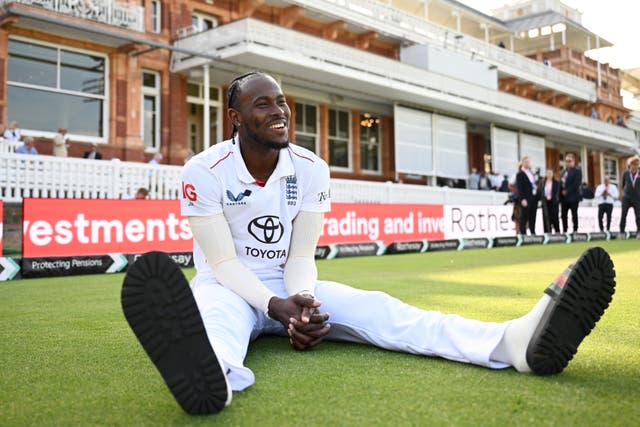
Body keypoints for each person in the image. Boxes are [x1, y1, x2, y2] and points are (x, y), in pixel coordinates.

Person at [121, 72, 616, 415]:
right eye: (263, 104)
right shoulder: (202, 170)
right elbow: (223, 262)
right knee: (214, 326)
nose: (280, 111)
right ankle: (216, 384)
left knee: (386, 311)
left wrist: (305, 305)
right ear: (234, 117)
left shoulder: (311, 166)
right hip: (228, 286)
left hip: (288, 286)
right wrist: (275, 307)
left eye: (283, 101)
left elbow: (299, 256)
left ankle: (512, 344)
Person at [560, 153, 582, 233]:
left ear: (573, 161)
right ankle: (565, 230)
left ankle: (575, 230)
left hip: (573, 197)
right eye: (566, 161)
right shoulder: (563, 172)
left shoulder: (577, 171)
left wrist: (567, 191)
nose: (568, 163)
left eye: (569, 161)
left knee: (574, 215)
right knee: (563, 215)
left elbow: (576, 184)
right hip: (564, 198)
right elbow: (561, 183)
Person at [515, 156, 537, 235]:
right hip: (526, 198)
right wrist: (522, 199)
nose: (528, 163)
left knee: (533, 217)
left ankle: (532, 232)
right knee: (524, 217)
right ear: (522, 163)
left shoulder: (531, 173)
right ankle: (523, 233)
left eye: (528, 162)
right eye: (526, 162)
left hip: (533, 197)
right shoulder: (520, 174)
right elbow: (520, 188)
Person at [619, 155, 640, 236]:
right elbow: (623, 184)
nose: (635, 166)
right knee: (623, 214)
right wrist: (622, 194)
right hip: (627, 198)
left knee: (638, 216)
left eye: (637, 164)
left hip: (637, 198)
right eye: (634, 164)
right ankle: (621, 232)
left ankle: (639, 232)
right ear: (630, 165)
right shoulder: (626, 173)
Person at [537, 169, 560, 234]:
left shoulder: (556, 182)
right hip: (545, 203)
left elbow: (557, 193)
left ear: (552, 174)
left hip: (553, 203)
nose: (549, 174)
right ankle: (547, 233)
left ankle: (557, 233)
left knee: (555, 218)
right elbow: (539, 192)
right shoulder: (542, 182)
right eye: (548, 173)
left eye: (550, 173)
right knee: (546, 218)